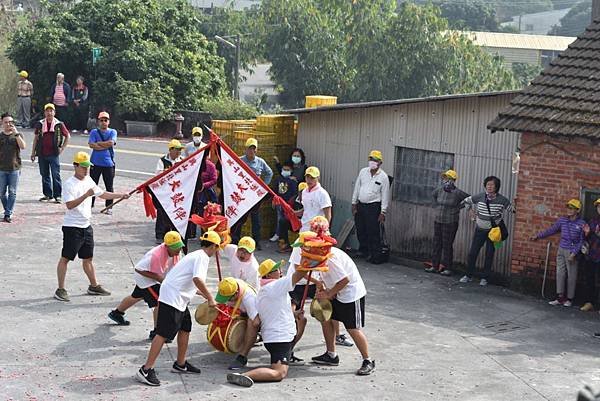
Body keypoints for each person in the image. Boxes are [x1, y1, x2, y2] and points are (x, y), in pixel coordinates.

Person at [136, 230, 220, 387]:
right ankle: (146, 370)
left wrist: (203, 294)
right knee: (162, 333)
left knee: (185, 328)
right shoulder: (202, 257)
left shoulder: (196, 255)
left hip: (180, 298)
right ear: (214, 246)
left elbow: (188, 279)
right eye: (218, 248)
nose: (218, 251)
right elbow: (197, 278)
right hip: (172, 298)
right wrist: (209, 297)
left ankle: (180, 364)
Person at [53, 152, 130, 302]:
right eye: (83, 167)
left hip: (86, 226)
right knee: (66, 258)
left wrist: (120, 195)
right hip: (72, 226)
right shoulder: (69, 184)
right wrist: (86, 195)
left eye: (88, 166)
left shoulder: (89, 180)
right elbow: (69, 205)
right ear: (75, 166)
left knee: (88, 258)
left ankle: (93, 286)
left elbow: (102, 194)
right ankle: (60, 288)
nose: (86, 169)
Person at [300, 219, 374, 375]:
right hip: (336, 291)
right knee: (325, 318)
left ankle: (368, 360)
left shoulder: (331, 257)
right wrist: (322, 288)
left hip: (350, 294)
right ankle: (331, 354)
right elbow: (324, 274)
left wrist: (329, 293)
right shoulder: (318, 254)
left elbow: (344, 280)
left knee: (352, 328)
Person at [226, 259, 307, 387]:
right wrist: (311, 260)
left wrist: (295, 314)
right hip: (280, 339)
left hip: (278, 337)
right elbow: (299, 275)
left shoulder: (266, 290)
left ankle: (288, 354)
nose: (281, 272)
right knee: (279, 373)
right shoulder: (275, 286)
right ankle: (244, 376)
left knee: (303, 321)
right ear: (269, 275)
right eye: (277, 270)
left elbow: (275, 311)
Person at [107, 231, 184, 339]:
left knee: (136, 296)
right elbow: (138, 268)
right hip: (147, 280)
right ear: (166, 246)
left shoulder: (177, 253)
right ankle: (157, 332)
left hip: (155, 278)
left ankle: (117, 313)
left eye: (179, 246)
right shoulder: (155, 255)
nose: (178, 250)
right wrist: (158, 278)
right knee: (159, 302)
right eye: (175, 247)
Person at [531, 199, 586, 307]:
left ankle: (569, 299)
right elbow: (552, 230)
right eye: (568, 207)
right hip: (561, 249)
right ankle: (560, 297)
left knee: (572, 275)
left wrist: (574, 253)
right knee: (560, 273)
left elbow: (582, 241)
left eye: (572, 208)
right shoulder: (563, 220)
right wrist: (538, 235)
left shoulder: (582, 224)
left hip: (572, 251)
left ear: (577, 210)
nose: (569, 210)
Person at [459, 176, 512, 286]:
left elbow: (513, 210)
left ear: (496, 187)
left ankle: (485, 278)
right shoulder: (480, 196)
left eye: (492, 185)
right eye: (488, 184)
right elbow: (466, 201)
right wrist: (471, 212)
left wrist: (517, 203)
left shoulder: (502, 200)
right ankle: (468, 275)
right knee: (473, 253)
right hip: (480, 230)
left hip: (494, 232)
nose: (489, 187)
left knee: (489, 254)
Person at [231, 138, 273, 249]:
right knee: (240, 218)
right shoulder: (239, 160)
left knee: (256, 219)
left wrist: (264, 186)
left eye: (253, 149)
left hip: (254, 196)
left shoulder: (260, 162)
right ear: (245, 149)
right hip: (242, 195)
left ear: (256, 150)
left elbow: (269, 173)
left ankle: (256, 241)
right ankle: (235, 239)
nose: (251, 151)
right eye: (249, 148)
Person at [426, 170, 469, 275]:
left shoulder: (457, 193)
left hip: (450, 222)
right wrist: (436, 205)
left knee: (447, 245)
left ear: (453, 180)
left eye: (449, 178)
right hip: (438, 220)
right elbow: (433, 195)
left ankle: (448, 268)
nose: (446, 180)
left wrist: (458, 207)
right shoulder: (440, 190)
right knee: (436, 244)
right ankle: (435, 266)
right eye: (445, 178)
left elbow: (469, 199)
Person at [213, 277, 261, 370]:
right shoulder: (229, 284)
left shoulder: (249, 298)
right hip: (241, 310)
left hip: (256, 316)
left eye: (228, 298)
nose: (226, 300)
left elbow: (257, 322)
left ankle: (243, 357)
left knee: (252, 324)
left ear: (236, 294)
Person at [351, 150, 390, 264]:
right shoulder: (363, 172)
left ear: (380, 163)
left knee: (372, 231)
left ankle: (375, 255)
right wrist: (354, 203)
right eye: (371, 159)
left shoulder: (383, 177)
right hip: (361, 205)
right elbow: (357, 187)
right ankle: (364, 250)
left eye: (375, 160)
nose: (372, 162)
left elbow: (385, 195)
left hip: (373, 207)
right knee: (360, 229)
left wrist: (383, 212)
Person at [30, 103, 70, 203]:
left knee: (55, 174)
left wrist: (62, 148)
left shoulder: (59, 124)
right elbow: (36, 138)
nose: (49, 113)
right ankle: (48, 194)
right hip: (42, 153)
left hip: (54, 154)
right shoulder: (40, 124)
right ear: (44, 112)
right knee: (44, 174)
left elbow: (68, 136)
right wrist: (33, 152)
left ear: (54, 112)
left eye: (51, 111)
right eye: (47, 111)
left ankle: (58, 195)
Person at [153, 139, 184, 243]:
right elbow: (158, 176)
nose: (179, 152)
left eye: (180, 150)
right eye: (177, 149)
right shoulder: (162, 161)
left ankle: (175, 235)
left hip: (177, 192)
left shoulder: (182, 161)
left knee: (176, 213)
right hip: (164, 193)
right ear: (171, 150)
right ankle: (160, 235)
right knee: (162, 214)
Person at [88, 111, 117, 213]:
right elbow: (91, 145)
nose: (104, 122)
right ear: (98, 121)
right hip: (95, 163)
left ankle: (109, 207)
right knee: (92, 185)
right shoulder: (94, 132)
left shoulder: (113, 132)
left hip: (108, 164)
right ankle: (89, 204)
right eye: (102, 120)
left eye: (106, 120)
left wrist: (99, 144)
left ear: (108, 122)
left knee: (109, 186)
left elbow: (111, 143)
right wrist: (104, 145)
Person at [0, 113, 26, 223]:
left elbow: (23, 146)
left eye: (10, 122)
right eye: (6, 122)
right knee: (1, 193)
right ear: (1, 123)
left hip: (14, 168)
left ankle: (8, 213)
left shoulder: (17, 135)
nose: (8, 124)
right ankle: (7, 211)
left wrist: (16, 134)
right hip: (1, 168)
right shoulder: (0, 136)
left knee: (12, 192)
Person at [269, 161, 299, 252]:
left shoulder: (292, 181)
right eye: (284, 169)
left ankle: (279, 235)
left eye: (287, 170)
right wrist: (274, 200)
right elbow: (274, 191)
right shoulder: (278, 179)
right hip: (279, 203)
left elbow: (294, 193)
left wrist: (290, 203)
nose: (285, 171)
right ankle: (278, 234)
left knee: (283, 219)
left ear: (291, 171)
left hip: (287, 204)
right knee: (279, 218)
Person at [298, 166, 331, 232]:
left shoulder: (322, 193)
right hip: (303, 227)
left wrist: (324, 229)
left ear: (318, 178)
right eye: (307, 177)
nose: (309, 180)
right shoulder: (304, 191)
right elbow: (306, 208)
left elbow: (328, 214)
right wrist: (294, 213)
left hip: (316, 230)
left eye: (312, 178)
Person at [582, 199, 600, 312]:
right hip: (592, 255)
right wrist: (587, 234)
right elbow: (587, 238)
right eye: (598, 207)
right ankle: (590, 303)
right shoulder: (593, 221)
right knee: (590, 279)